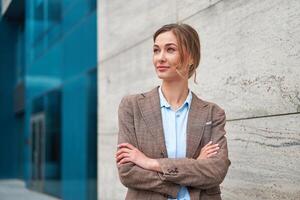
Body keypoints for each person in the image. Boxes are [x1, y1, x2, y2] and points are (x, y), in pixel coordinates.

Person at [116, 23, 231, 200]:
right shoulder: (132, 106)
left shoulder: (213, 114)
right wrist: (194, 167)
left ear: (191, 57)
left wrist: (150, 163)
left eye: (170, 50)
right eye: (156, 50)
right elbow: (128, 172)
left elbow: (216, 171)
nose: (160, 58)